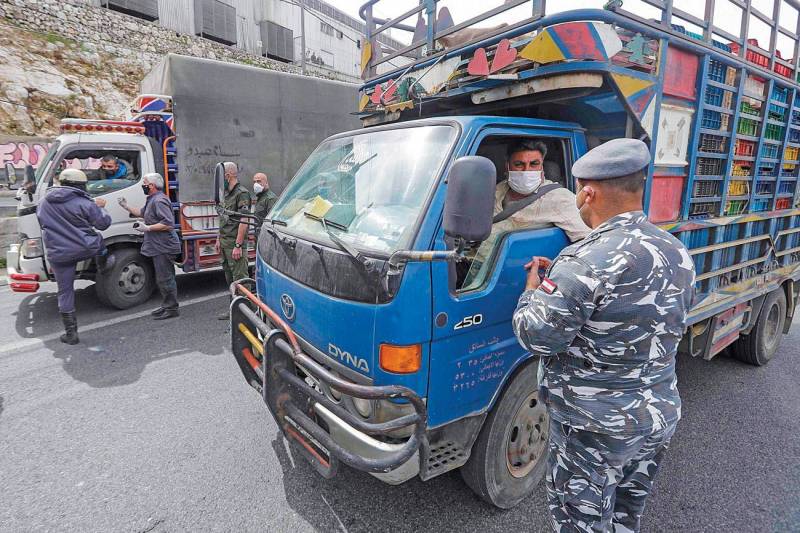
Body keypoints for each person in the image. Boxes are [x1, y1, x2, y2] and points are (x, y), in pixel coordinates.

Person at [511, 138, 695, 532]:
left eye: (579, 188)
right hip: (655, 417)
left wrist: (532, 290)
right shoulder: (675, 250)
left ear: (588, 191)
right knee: (625, 517)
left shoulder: (586, 259)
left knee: (580, 521)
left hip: (595, 428)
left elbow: (536, 335)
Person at [461, 140, 590, 288]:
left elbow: (589, 242)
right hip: (476, 268)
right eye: (519, 164)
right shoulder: (498, 190)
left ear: (542, 167)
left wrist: (556, 269)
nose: (526, 170)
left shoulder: (559, 198)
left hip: (510, 279)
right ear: (507, 166)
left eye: (534, 164)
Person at [36, 168, 113, 344]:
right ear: (80, 185)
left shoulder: (43, 202)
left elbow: (42, 223)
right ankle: (103, 265)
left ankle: (71, 334)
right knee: (99, 240)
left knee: (65, 292)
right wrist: (101, 208)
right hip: (85, 248)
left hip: (58, 254)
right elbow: (104, 224)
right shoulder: (85, 203)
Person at [118, 173, 181, 320]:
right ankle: (167, 305)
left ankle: (172, 308)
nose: (143, 185)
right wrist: (125, 206)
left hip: (164, 246)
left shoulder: (159, 201)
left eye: (145, 182)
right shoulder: (152, 199)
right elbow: (142, 213)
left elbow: (167, 223)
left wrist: (148, 228)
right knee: (162, 278)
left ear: (151, 186)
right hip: (158, 245)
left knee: (165, 278)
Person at [216, 161, 251, 320]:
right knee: (230, 281)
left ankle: (247, 315)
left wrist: (238, 245)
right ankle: (234, 311)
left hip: (234, 245)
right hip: (225, 243)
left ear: (228, 175)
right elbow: (223, 217)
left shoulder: (241, 193)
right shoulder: (226, 194)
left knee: (240, 282)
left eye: (221, 176)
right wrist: (218, 238)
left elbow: (244, 221)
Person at [252, 172, 277, 236]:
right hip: (259, 235)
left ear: (266, 182)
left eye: (259, 181)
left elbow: (273, 223)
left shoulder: (270, 198)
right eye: (254, 182)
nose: (256, 184)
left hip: (266, 236)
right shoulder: (261, 197)